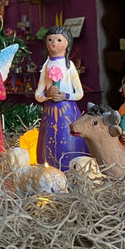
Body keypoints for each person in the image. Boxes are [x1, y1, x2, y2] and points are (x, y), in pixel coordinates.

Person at [34, 25, 88, 171]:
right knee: (49, 141)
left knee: (70, 139)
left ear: (67, 43)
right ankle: (50, 169)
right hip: (50, 112)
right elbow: (38, 95)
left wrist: (65, 95)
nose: (54, 43)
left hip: (67, 111)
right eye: (50, 39)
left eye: (59, 40)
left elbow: (79, 93)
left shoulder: (69, 66)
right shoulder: (46, 66)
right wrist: (47, 95)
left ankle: (73, 168)